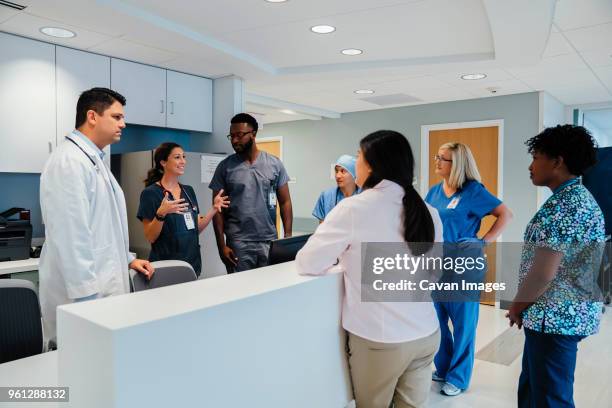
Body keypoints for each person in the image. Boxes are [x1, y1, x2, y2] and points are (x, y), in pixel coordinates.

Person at [296, 130, 443, 408]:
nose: (355, 163)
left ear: (374, 165)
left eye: (359, 157)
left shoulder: (353, 209)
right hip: (426, 334)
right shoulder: (428, 211)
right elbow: (434, 272)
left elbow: (308, 262)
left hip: (382, 341)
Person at [39, 87, 154, 345]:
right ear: (92, 116)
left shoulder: (93, 159)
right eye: (116, 117)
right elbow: (72, 238)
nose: (123, 124)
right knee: (80, 372)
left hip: (100, 298)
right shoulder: (69, 162)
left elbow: (103, 226)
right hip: (83, 301)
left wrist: (127, 259)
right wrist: (88, 302)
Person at [507, 125, 605, 408]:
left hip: (557, 318)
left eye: (536, 157)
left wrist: (516, 306)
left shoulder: (567, 206)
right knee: (534, 389)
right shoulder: (571, 200)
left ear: (558, 161)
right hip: (554, 315)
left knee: (551, 398)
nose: (530, 165)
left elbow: (543, 272)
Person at [425, 142, 512, 396]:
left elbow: (505, 214)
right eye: (437, 157)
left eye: (443, 159)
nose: (437, 162)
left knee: (463, 323)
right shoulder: (433, 192)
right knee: (437, 320)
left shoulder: (473, 191)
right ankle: (443, 368)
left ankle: (458, 378)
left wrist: (483, 240)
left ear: (457, 164)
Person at [210, 113, 293, 273]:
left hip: (269, 240)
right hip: (238, 243)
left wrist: (288, 237)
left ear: (254, 134)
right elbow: (217, 210)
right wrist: (222, 245)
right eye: (232, 136)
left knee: (268, 290)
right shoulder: (225, 167)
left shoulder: (274, 164)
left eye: (239, 135)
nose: (234, 140)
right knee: (240, 291)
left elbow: (285, 202)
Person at [137, 143, 229, 277]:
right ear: (163, 162)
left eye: (184, 157)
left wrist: (214, 209)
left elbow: (196, 228)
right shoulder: (150, 193)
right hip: (165, 267)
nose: (183, 161)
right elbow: (150, 237)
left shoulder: (188, 191)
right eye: (177, 157)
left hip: (192, 265)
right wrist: (161, 214)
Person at [312, 154, 360, 223]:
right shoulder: (326, 196)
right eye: (336, 171)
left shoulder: (363, 196)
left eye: (343, 171)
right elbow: (322, 228)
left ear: (353, 174)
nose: (338, 176)